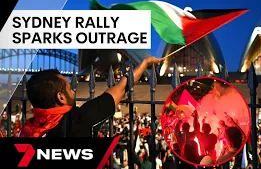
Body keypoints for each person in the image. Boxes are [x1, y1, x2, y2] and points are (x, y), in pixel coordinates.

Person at [19, 56, 164, 137]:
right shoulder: (80, 119)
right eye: (70, 89)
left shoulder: (27, 130)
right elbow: (121, 88)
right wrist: (145, 63)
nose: (74, 92)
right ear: (61, 98)